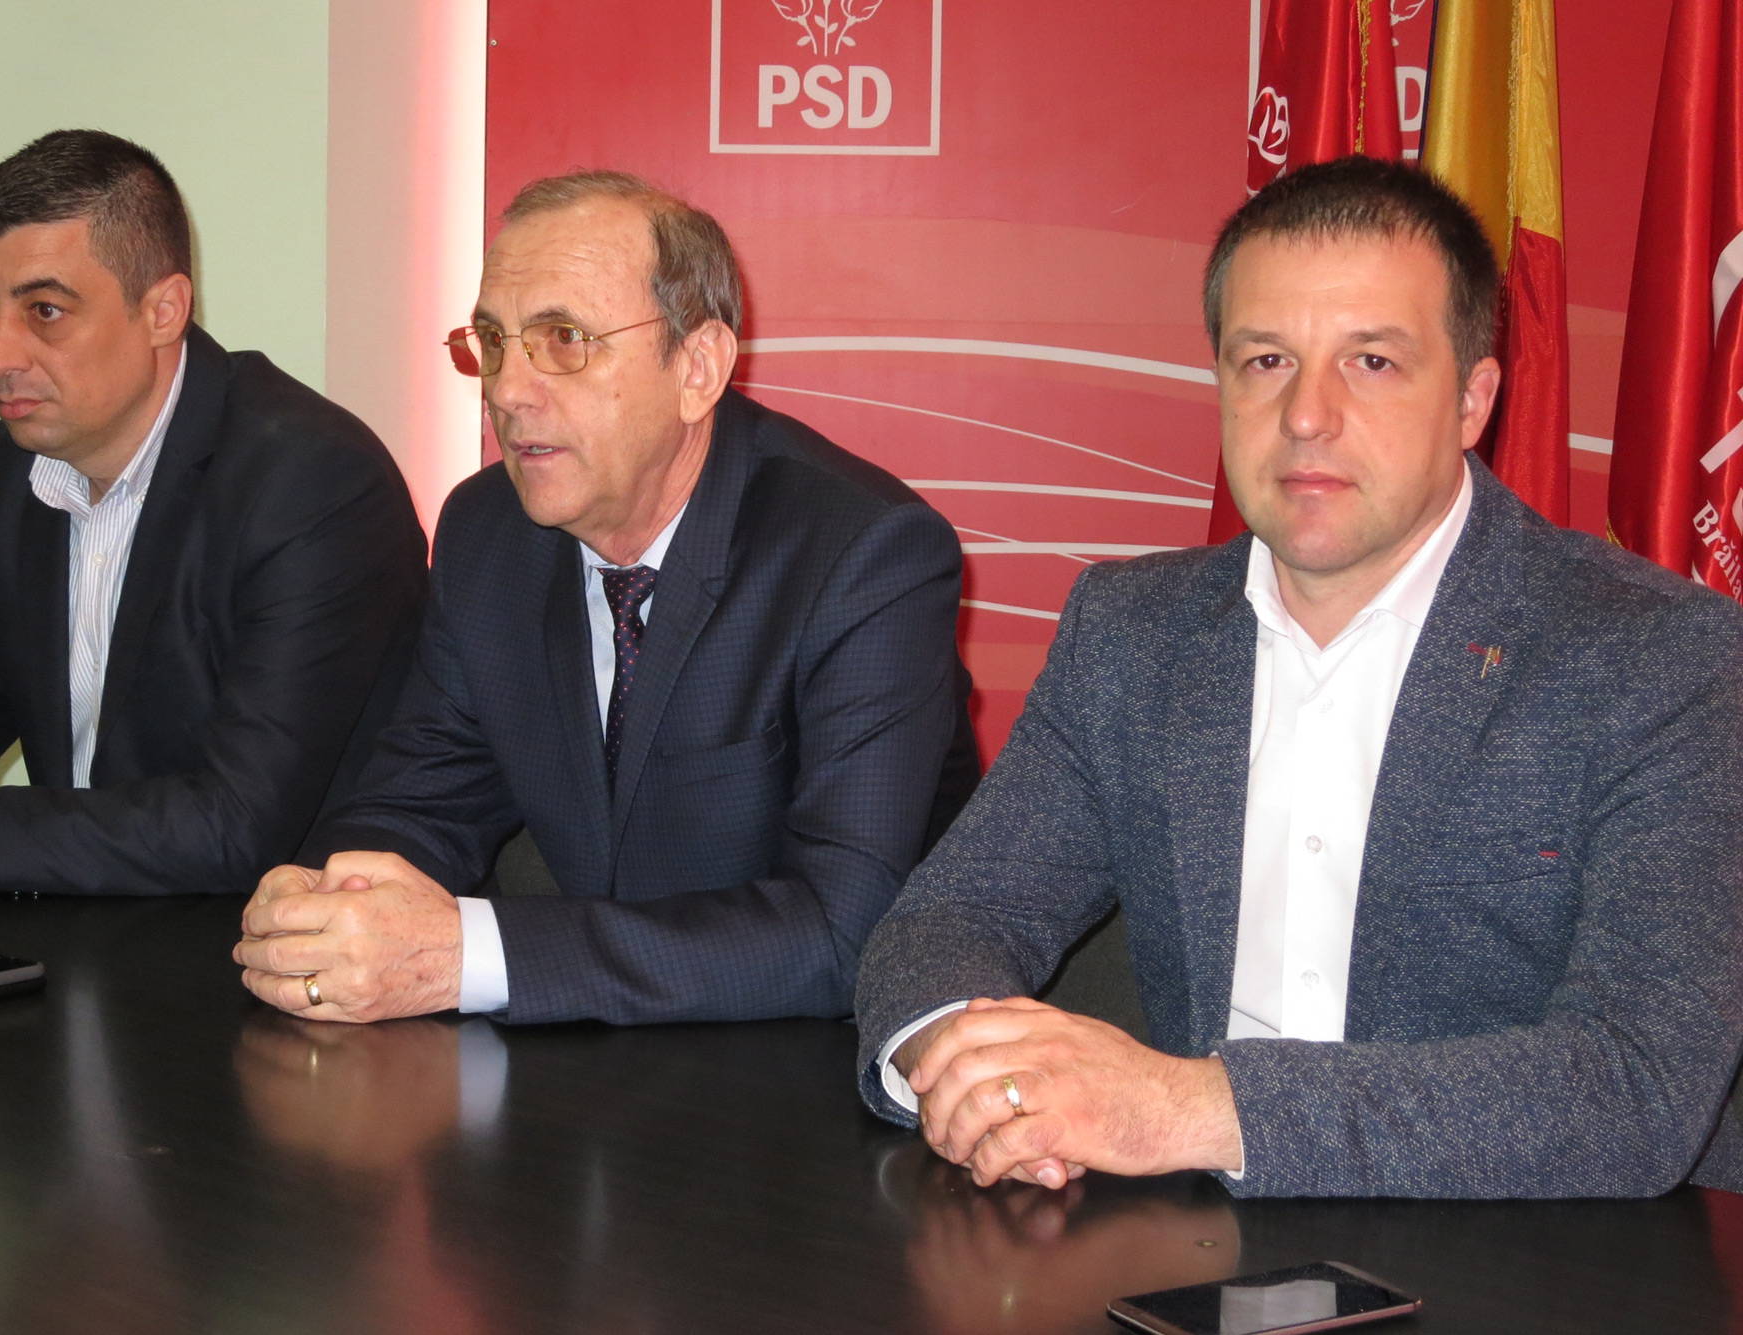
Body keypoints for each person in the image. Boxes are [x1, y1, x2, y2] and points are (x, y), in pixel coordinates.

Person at [853, 156, 1743, 1199]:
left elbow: (1636, 1085)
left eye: (1371, 361)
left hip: (1549, 1253)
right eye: (1266, 359)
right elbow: (944, 924)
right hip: (1188, 1241)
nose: (1306, 415)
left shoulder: (1659, 655)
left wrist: (1183, 1107)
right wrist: (991, 1087)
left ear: (1471, 400)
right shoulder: (1132, 633)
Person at [233, 171, 977, 1025]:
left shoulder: (863, 555)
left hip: (822, 1062)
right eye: (493, 340)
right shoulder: (487, 535)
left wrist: (468, 956)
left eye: (564, 339)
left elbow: (841, 934)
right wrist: (329, 901)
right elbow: (420, 802)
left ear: (697, 368)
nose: (507, 389)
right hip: (590, 1056)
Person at [0, 130, 425, 896]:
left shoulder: (311, 481)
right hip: (82, 928)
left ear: (164, 309)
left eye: (45, 310)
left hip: (287, 937)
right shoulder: (1, 471)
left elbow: (236, 824)